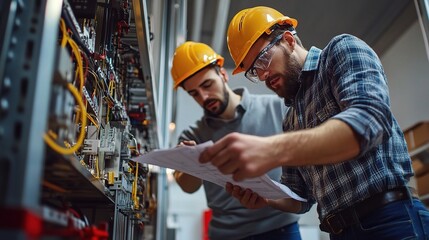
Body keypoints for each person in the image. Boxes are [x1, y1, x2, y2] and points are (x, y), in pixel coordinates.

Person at [199, 6, 429, 239]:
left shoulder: (341, 51)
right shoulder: (291, 118)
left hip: (389, 218)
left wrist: (272, 149)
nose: (263, 75)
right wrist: (267, 198)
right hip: (338, 232)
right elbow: (300, 197)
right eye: (254, 71)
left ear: (288, 40)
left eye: (263, 59)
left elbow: (368, 120)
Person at [170, 41, 301, 240]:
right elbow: (188, 187)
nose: (204, 97)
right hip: (227, 235)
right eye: (194, 93)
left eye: (207, 85)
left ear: (222, 74)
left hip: (281, 228)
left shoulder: (276, 108)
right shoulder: (193, 136)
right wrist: (190, 162)